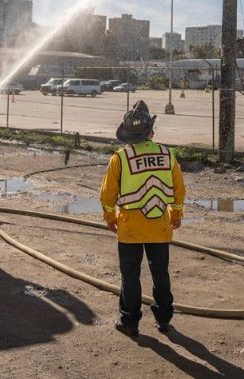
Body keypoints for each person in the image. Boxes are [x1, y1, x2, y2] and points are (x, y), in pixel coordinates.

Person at [100, 100, 185, 336]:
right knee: (160, 273)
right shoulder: (168, 155)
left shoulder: (120, 158)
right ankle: (164, 319)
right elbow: (179, 191)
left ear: (126, 135)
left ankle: (129, 322)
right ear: (151, 132)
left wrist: (110, 218)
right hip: (159, 225)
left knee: (130, 276)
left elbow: (107, 195)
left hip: (129, 228)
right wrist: (175, 215)